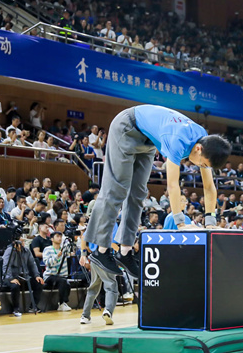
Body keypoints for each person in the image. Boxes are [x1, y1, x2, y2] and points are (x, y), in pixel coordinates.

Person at [84, 105, 230, 278]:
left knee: (138, 193)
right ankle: (100, 250)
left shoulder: (205, 143)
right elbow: (173, 185)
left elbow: (209, 186)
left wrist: (210, 220)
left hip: (147, 139)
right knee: (118, 188)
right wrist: (180, 223)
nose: (201, 167)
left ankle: (124, 252)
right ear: (198, 149)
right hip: (127, 126)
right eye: (203, 164)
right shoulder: (177, 140)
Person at [79, 237, 117, 325]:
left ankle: (85, 316)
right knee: (111, 287)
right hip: (106, 259)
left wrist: (83, 254)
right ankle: (108, 311)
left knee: (93, 288)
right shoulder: (111, 224)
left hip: (94, 259)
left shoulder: (94, 223)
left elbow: (84, 237)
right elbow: (111, 242)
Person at [2, 240, 44, 316]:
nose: (22, 243)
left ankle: (33, 306)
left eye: (23, 241)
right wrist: (10, 278)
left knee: (38, 283)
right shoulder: (9, 251)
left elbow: (32, 264)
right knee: (15, 286)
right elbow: (6, 266)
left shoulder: (26, 251)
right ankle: (15, 309)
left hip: (25, 276)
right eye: (20, 242)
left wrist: (37, 275)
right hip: (11, 277)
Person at [42, 231, 72, 311]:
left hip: (61, 275)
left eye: (60, 236)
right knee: (62, 281)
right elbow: (48, 263)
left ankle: (63, 303)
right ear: (52, 239)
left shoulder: (64, 250)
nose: (59, 238)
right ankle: (62, 303)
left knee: (66, 283)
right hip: (50, 276)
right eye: (57, 236)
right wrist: (57, 256)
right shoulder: (47, 249)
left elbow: (70, 253)